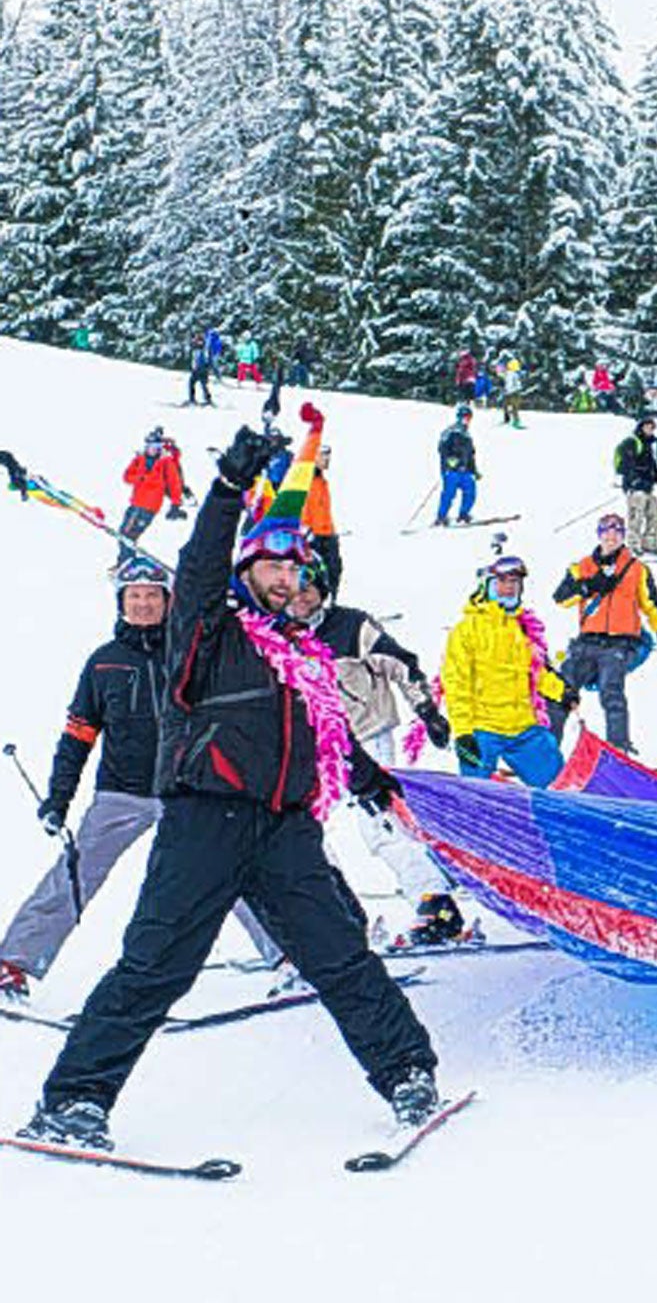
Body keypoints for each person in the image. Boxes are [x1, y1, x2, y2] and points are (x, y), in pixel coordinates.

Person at [15, 425, 439, 1153]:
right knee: (155, 965)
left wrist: (377, 787)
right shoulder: (208, 628)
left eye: (293, 569)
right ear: (247, 571)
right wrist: (228, 488)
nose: (283, 579)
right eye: (269, 566)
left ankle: (407, 1073)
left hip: (285, 831)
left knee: (340, 954)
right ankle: (73, 1101)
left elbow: (329, 739)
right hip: (203, 821)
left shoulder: (307, 657)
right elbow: (199, 563)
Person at [0, 559, 284, 1003]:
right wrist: (59, 798)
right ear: (121, 603)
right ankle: (13, 963)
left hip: (190, 789)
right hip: (123, 791)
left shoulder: (190, 652)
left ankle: (288, 956)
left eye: (153, 595)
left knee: (229, 869)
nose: (144, 603)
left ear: (169, 601)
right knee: (76, 872)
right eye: (134, 596)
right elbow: (77, 736)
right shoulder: (103, 664)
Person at [284, 554, 453, 938]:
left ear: (322, 589)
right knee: (303, 832)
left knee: (380, 823)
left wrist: (426, 710)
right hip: (313, 749)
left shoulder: (351, 625)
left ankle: (434, 901)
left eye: (308, 588)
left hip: (367, 735)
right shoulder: (278, 636)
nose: (301, 598)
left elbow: (401, 665)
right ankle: (338, 914)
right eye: (293, 590)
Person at [442, 552, 574, 787]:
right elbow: (455, 683)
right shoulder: (466, 630)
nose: (510, 588)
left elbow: (534, 671)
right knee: (477, 795)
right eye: (503, 582)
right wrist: (463, 733)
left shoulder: (521, 627)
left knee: (559, 786)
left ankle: (559, 822)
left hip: (523, 727)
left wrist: (560, 691)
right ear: (488, 585)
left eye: (515, 582)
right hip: (483, 730)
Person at [553, 513, 657, 755]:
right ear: (599, 535)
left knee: (611, 691)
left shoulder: (637, 569)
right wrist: (589, 586)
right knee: (561, 690)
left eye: (617, 532)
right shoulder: (581, 567)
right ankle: (547, 751)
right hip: (587, 641)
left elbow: (651, 605)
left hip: (620, 643)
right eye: (606, 532)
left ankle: (619, 749)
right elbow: (561, 599)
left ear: (623, 536)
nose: (611, 537)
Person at [118, 428, 186, 561]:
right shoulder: (139, 459)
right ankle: (125, 562)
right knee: (124, 535)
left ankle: (126, 562)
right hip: (135, 504)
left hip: (149, 507)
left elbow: (174, 484)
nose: (153, 449)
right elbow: (127, 477)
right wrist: (140, 477)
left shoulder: (166, 462)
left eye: (156, 446)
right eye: (150, 446)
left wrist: (175, 504)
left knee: (128, 535)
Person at [614, 412, 657, 556]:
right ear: (640, 427)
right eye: (647, 427)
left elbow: (653, 469)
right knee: (636, 516)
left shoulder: (647, 446)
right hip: (635, 488)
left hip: (647, 488)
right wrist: (634, 480)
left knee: (655, 515)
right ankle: (633, 546)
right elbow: (626, 464)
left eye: (652, 428)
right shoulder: (632, 442)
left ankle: (649, 544)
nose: (650, 430)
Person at [305, 442, 342, 596]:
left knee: (334, 569)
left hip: (327, 533)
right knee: (316, 574)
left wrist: (332, 532)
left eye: (328, 456)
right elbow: (303, 507)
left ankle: (330, 604)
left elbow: (323, 509)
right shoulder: (306, 480)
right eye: (323, 456)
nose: (327, 460)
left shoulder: (321, 481)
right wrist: (307, 531)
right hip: (314, 536)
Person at [435, 405, 478, 526]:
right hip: (451, 470)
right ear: (459, 417)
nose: (467, 420)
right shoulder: (450, 431)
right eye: (465, 417)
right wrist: (450, 461)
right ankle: (441, 517)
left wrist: (474, 470)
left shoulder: (467, 435)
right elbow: (442, 448)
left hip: (465, 470)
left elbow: (470, 454)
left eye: (469, 417)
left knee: (471, 492)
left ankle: (463, 514)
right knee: (449, 493)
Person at [185, 335, 214, 407]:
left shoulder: (205, 350)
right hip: (195, 370)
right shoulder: (194, 349)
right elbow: (193, 359)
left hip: (203, 370)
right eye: (197, 341)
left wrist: (208, 368)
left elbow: (209, 359)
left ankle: (208, 399)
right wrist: (192, 367)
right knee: (191, 383)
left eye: (200, 342)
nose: (198, 343)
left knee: (204, 385)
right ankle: (192, 399)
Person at [500, 358, 526, 428]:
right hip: (513, 392)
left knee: (511, 406)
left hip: (513, 392)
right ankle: (515, 421)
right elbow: (509, 384)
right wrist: (508, 391)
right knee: (514, 407)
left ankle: (511, 420)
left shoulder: (512, 373)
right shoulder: (511, 373)